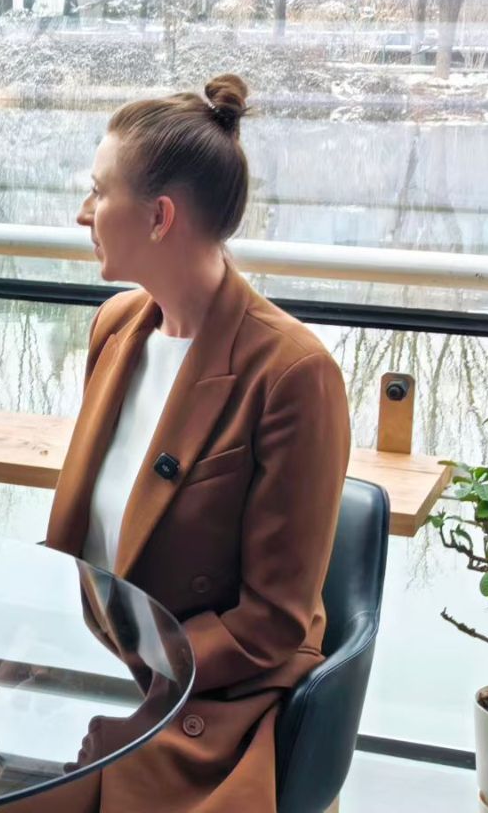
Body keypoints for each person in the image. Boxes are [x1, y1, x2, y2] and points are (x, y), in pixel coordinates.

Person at [29, 75, 351, 812]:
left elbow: (273, 622)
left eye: (98, 191)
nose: (83, 213)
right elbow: (89, 548)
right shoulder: (116, 327)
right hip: (99, 666)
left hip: (213, 705)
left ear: (159, 217)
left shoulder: (293, 374)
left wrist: (147, 693)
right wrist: (33, 644)